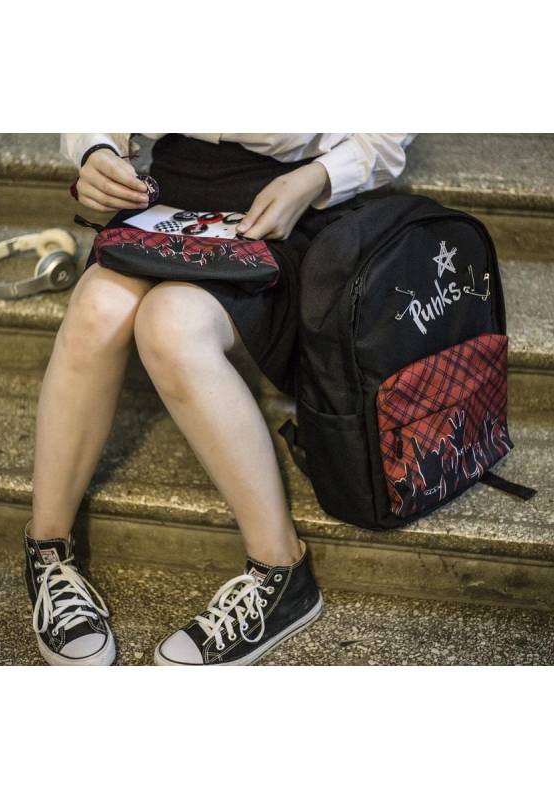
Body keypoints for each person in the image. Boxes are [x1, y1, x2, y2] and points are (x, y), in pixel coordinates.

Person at [24, 133, 415, 666]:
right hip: (166, 195)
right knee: (97, 308)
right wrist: (97, 151)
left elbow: (384, 138)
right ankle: (47, 552)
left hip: (286, 204)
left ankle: (282, 571)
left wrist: (315, 179)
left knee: (171, 325)